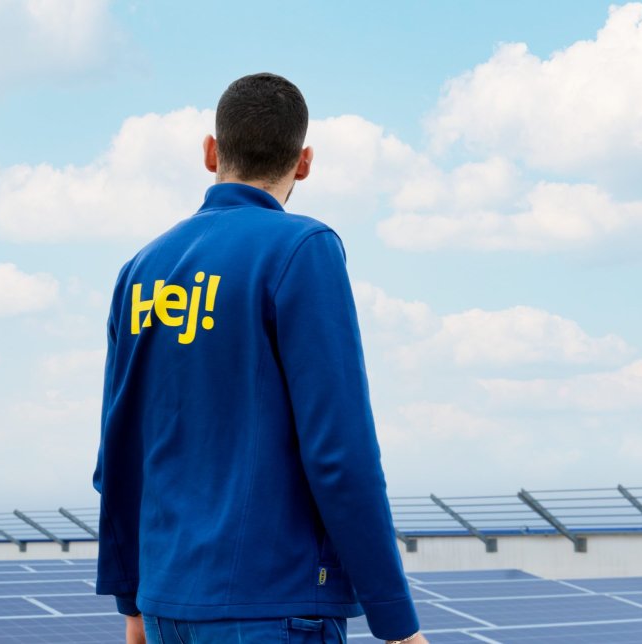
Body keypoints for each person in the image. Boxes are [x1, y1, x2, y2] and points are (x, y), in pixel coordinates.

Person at [93, 73, 426, 644]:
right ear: (303, 163)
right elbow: (339, 453)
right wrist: (396, 623)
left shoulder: (141, 270)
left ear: (210, 152)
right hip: (273, 607)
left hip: (166, 607)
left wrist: (132, 603)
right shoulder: (302, 250)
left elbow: (118, 450)